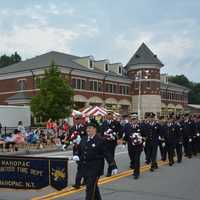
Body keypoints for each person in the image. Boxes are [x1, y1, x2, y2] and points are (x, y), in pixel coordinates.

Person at [73, 122, 117, 200]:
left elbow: (107, 154)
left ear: (95, 129)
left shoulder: (100, 140)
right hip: (85, 167)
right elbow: (78, 149)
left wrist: (113, 165)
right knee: (93, 187)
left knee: (89, 187)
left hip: (96, 168)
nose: (88, 130)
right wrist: (76, 154)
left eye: (90, 128)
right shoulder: (84, 139)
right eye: (87, 128)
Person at [122, 114, 144, 179]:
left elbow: (145, 135)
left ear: (137, 120)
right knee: (132, 158)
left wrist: (142, 141)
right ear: (131, 120)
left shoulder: (141, 126)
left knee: (137, 159)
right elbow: (126, 135)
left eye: (135, 119)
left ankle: (136, 173)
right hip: (130, 146)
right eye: (133, 119)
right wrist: (124, 142)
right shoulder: (127, 126)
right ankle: (134, 167)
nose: (134, 120)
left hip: (138, 146)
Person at [100, 112, 120, 176]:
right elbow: (101, 132)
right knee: (107, 156)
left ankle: (109, 171)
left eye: (110, 115)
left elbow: (120, 131)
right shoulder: (103, 123)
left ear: (112, 115)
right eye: (108, 115)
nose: (109, 116)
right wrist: (103, 137)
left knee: (111, 156)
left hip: (112, 143)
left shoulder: (116, 123)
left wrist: (116, 136)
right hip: (105, 143)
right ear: (106, 115)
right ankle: (113, 167)